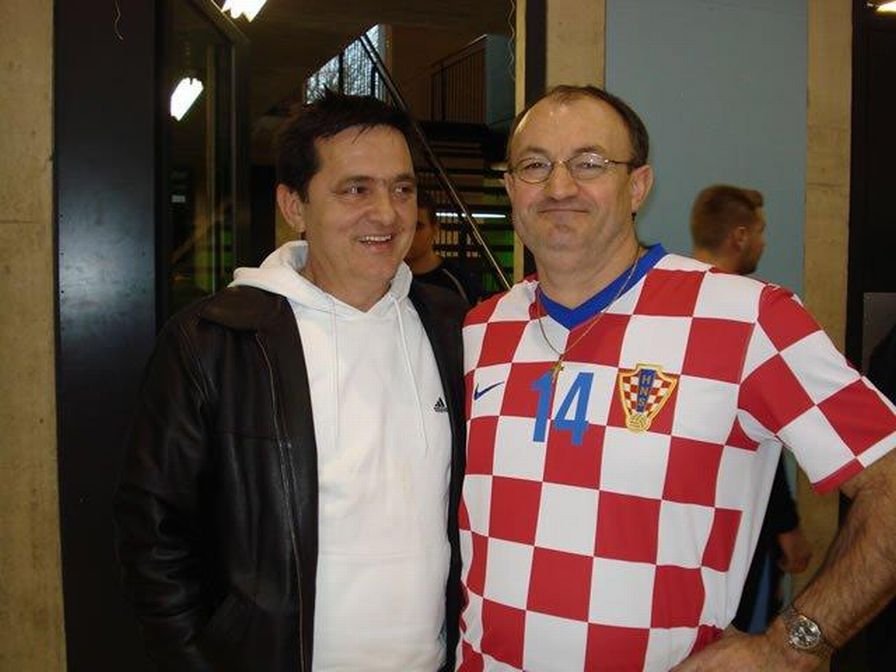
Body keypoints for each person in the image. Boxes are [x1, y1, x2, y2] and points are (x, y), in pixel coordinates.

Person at [457, 84, 896, 671]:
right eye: (535, 165)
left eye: (590, 163)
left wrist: (792, 648)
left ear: (638, 185)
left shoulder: (748, 319)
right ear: (512, 188)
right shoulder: (481, 328)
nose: (559, 187)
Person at [114, 90, 467, 672]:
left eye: (402, 189)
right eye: (356, 189)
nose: (387, 213)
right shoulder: (215, 342)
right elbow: (153, 535)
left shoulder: (453, 328)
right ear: (294, 205)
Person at [690, 184, 813, 631]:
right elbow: (756, 436)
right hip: (740, 525)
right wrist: (786, 525)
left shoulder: (668, 309)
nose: (763, 242)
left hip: (681, 528)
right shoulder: (752, 316)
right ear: (739, 236)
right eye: (760, 231)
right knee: (739, 637)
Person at [404, 190, 483, 306]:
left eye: (417, 227)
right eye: (402, 226)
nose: (409, 234)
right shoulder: (386, 280)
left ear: (434, 229)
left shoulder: (460, 282)